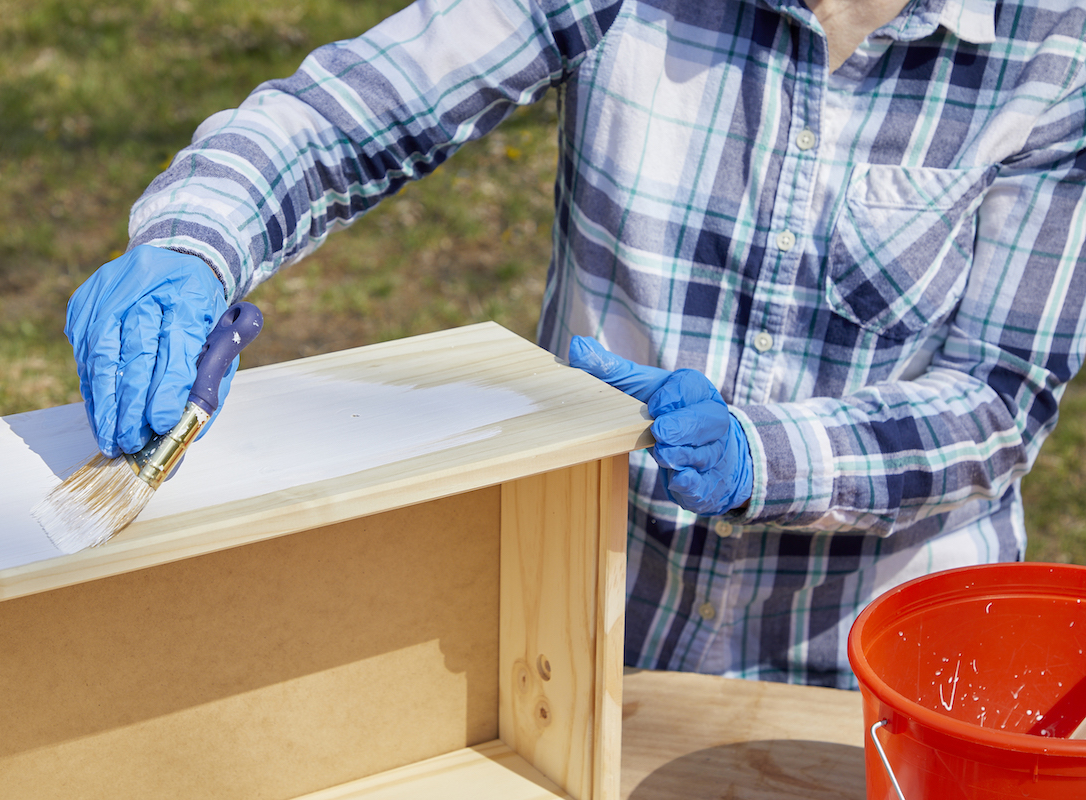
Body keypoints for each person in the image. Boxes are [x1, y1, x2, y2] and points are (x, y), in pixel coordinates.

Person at [64, 0, 1086, 688]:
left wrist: (757, 454)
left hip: (883, 667)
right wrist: (196, 244)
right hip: (588, 622)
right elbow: (343, 116)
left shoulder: (1057, 49)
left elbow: (996, 397)